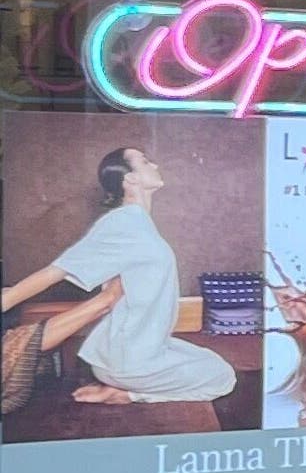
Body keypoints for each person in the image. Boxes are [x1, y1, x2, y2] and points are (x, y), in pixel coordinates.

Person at [0, 146, 235, 405]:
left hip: (146, 347)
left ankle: (124, 384)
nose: (155, 165)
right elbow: (57, 270)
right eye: (145, 162)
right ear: (130, 179)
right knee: (222, 377)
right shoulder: (122, 222)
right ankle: (125, 394)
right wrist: (7, 300)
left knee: (211, 361)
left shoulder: (138, 221)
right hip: (129, 359)